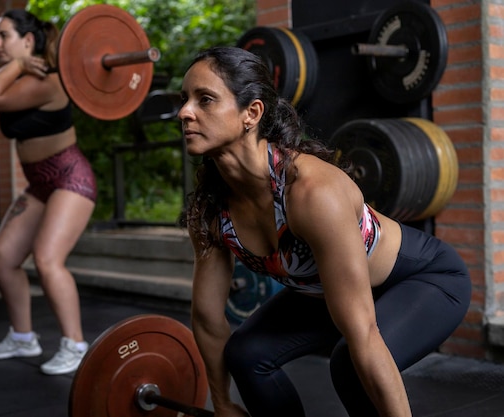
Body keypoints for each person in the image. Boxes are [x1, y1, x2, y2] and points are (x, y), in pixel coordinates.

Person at [178, 46, 471, 417]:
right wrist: (222, 404)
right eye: (184, 99)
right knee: (247, 353)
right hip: (330, 293)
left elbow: (363, 333)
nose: (184, 112)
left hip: (422, 280)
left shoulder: (312, 193)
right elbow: (206, 317)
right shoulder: (210, 210)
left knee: (349, 363)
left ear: (251, 113)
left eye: (204, 100)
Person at [0, 9, 97, 375]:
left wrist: (11, 68)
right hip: (40, 183)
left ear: (28, 42)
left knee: (47, 260)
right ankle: (22, 337)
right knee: (3, 257)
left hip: (70, 178)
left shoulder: (48, 80)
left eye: (4, 36)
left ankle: (76, 345)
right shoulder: (12, 80)